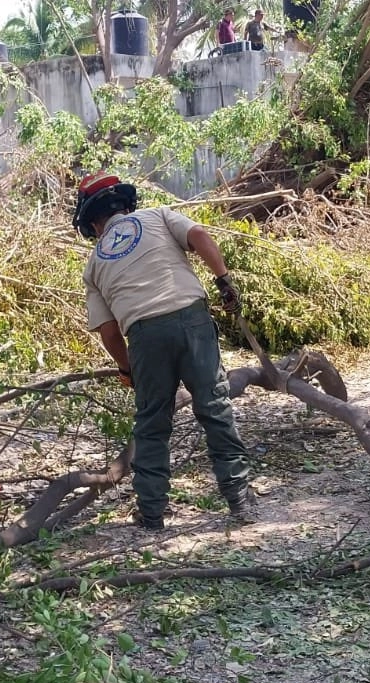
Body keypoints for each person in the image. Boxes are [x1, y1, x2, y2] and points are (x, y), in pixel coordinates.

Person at [74, 172, 255, 531]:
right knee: (214, 408)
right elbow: (200, 235)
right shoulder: (157, 215)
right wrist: (223, 280)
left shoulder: (95, 264)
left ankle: (153, 513)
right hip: (191, 319)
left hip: (143, 336)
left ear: (94, 222)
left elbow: (109, 331)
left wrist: (128, 370)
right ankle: (239, 500)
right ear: (126, 205)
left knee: (153, 424)